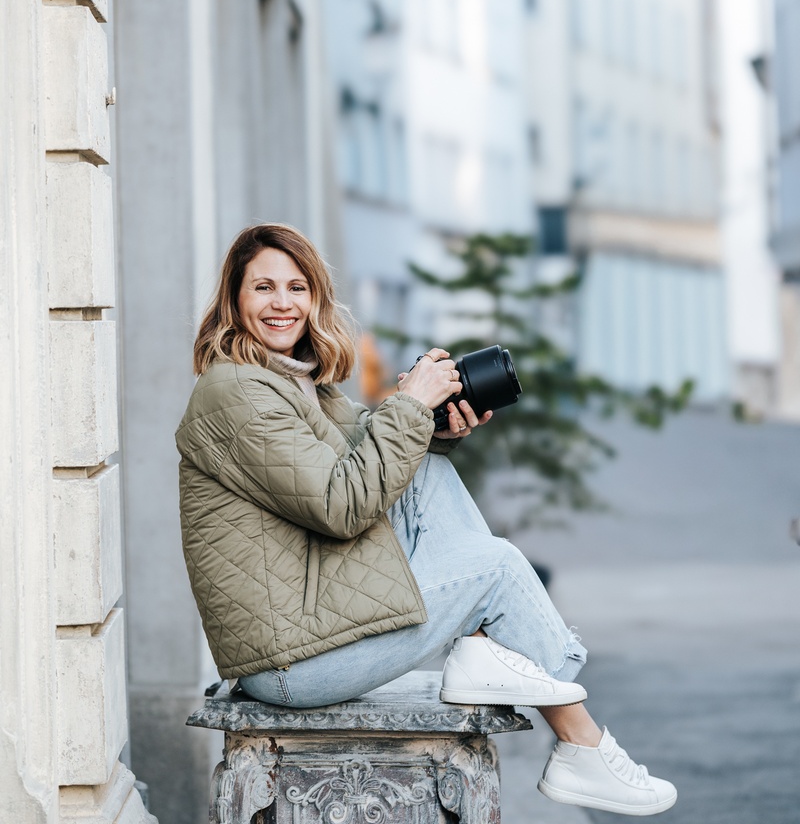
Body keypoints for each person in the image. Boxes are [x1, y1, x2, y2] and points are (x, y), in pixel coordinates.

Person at [177, 223, 677, 817]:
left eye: (297, 287)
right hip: (289, 662)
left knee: (427, 470)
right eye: (263, 287)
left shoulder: (298, 385)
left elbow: (374, 460)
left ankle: (493, 653)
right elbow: (342, 505)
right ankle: (579, 740)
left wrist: (432, 429)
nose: (282, 303)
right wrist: (409, 404)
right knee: (496, 568)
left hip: (312, 621)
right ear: (234, 300)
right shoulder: (235, 393)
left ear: (315, 300)